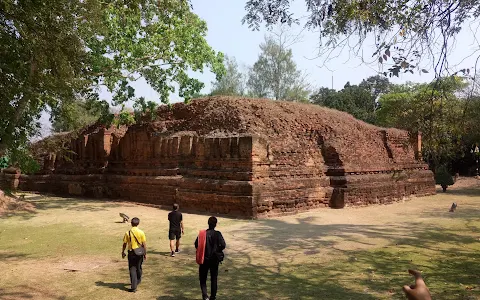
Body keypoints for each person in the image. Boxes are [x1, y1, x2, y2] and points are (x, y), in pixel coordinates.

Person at [195, 216, 226, 300]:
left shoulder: (202, 234)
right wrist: (218, 250)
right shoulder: (217, 234)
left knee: (203, 278)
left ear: (208, 223)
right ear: (215, 224)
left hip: (204, 258)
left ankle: (205, 296)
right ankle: (213, 297)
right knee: (214, 278)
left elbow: (196, 244)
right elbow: (223, 245)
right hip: (214, 259)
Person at [121, 217, 147, 293]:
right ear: (138, 223)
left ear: (131, 224)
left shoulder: (127, 233)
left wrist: (122, 252)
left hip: (131, 252)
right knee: (139, 267)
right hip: (139, 252)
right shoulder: (141, 232)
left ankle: (134, 286)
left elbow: (124, 244)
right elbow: (144, 244)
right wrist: (145, 253)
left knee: (132, 268)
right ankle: (138, 280)